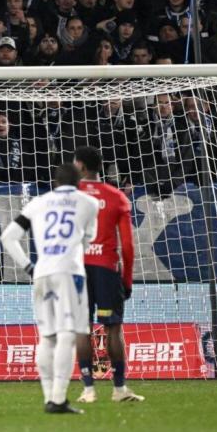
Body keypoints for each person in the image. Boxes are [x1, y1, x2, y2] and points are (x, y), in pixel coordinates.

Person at [0, 163, 99, 415]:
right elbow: (87, 240)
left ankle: (49, 398)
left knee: (47, 336)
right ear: (78, 182)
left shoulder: (38, 203)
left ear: (55, 183)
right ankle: (58, 399)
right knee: (68, 334)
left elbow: (8, 237)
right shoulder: (89, 203)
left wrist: (28, 267)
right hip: (70, 273)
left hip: (42, 273)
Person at [72, 147, 143, 404]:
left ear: (80, 166)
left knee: (82, 329)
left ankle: (88, 390)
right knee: (113, 329)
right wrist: (127, 280)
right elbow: (128, 245)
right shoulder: (116, 197)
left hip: (77, 270)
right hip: (106, 268)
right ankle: (119, 388)